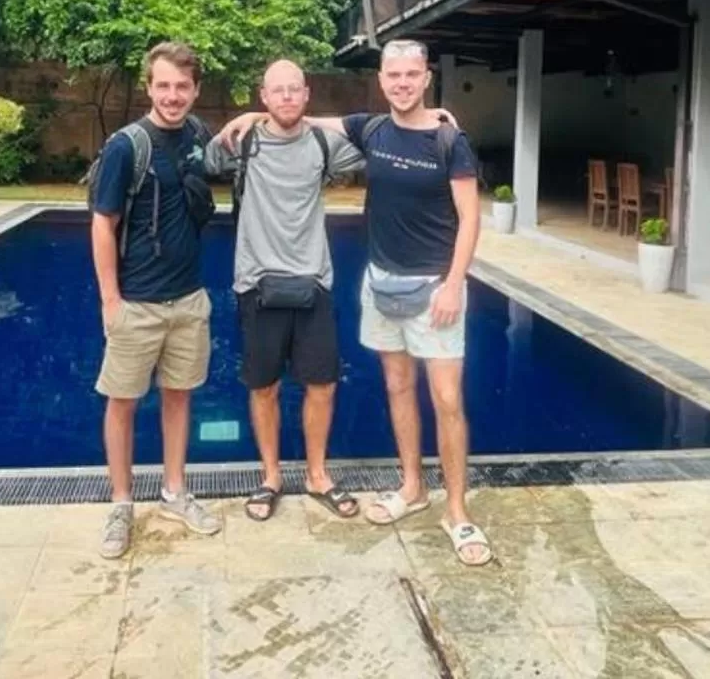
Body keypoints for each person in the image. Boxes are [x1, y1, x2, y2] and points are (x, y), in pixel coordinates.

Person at [218, 40, 487, 565]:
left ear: (426, 78)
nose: (402, 83)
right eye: (393, 75)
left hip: (435, 285)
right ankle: (412, 488)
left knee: (447, 400)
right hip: (382, 283)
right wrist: (255, 114)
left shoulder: (450, 141)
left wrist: (456, 282)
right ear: (381, 80)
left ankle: (458, 511)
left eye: (411, 75)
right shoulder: (371, 129)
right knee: (398, 388)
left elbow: (471, 217)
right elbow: (302, 117)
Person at [205, 60, 367, 523]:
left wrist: (432, 116)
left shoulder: (323, 143)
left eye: (294, 89)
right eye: (277, 91)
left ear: (307, 94)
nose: (287, 97)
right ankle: (271, 476)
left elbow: (375, 142)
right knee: (264, 386)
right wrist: (247, 120)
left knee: (322, 384)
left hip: (313, 280)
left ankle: (317, 474)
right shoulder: (244, 141)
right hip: (257, 283)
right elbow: (206, 159)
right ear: (264, 95)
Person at [88, 41, 223, 559]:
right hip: (137, 304)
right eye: (163, 85)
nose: (172, 96)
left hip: (188, 300)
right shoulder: (127, 146)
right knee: (122, 403)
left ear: (195, 90)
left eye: (182, 87)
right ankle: (121, 503)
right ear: (148, 87)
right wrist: (110, 300)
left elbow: (248, 135)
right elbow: (103, 224)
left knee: (178, 397)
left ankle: (174, 491)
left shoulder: (198, 135)